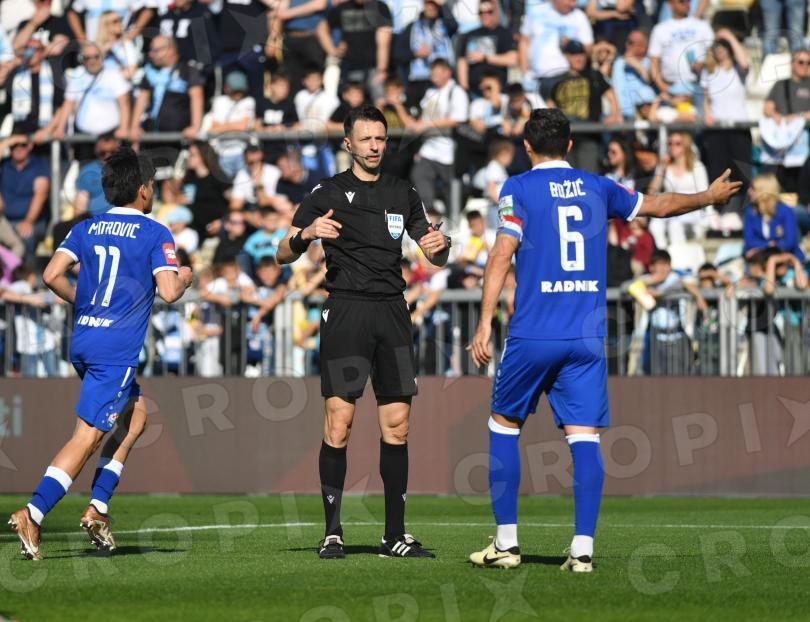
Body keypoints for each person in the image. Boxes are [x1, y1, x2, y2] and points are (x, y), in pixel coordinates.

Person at [466, 108, 741, 570]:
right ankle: (583, 550)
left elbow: (500, 254)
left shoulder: (517, 188)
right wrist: (708, 197)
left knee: (503, 425)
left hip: (535, 331)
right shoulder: (598, 186)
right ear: (570, 145)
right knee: (584, 438)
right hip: (586, 337)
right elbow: (658, 205)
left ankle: (507, 544)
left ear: (527, 147)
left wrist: (483, 323)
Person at [276, 105, 451, 559]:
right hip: (347, 310)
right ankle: (332, 531)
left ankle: (394, 536)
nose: (375, 146)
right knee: (340, 423)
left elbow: (433, 253)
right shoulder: (326, 191)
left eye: (381, 139)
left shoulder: (402, 190)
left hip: (392, 312)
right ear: (348, 143)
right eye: (366, 139)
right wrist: (306, 233)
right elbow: (282, 253)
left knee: (398, 427)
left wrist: (441, 246)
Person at [8, 146, 193, 560]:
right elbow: (168, 292)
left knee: (136, 417)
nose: (152, 191)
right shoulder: (155, 232)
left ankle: (98, 508)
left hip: (85, 339)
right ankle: (33, 513)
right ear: (143, 190)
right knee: (88, 436)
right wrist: (185, 277)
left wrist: (85, 304)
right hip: (115, 349)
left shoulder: (86, 227)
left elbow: (51, 274)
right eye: (152, 185)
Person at [701, 29, 752, 203]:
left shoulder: (738, 70)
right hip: (717, 129)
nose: (720, 49)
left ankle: (741, 209)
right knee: (717, 172)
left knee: (742, 173)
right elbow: (706, 100)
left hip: (739, 128)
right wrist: (707, 114)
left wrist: (728, 36)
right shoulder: (709, 72)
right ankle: (719, 210)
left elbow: (744, 62)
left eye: (724, 46)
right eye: (717, 46)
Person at [647, 131, 710, 247]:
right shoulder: (665, 166)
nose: (672, 146)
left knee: (674, 225)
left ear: (686, 145)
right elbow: (651, 191)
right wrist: (662, 168)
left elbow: (705, 195)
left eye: (677, 143)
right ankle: (663, 253)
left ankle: (677, 257)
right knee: (654, 226)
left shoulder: (697, 167)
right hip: (671, 209)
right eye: (670, 143)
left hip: (692, 209)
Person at [648, 0, 713, 96]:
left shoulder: (702, 25)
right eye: (681, 1)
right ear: (670, 5)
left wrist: (703, 63)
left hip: (699, 86)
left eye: (688, 1)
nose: (686, 3)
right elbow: (653, 61)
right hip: (672, 87)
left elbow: (713, 53)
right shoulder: (660, 29)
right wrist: (663, 88)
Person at [0, 133, 50, 257]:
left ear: (30, 146)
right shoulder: (4, 164)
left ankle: (21, 270)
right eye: (14, 145)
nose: (18, 148)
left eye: (23, 144)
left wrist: (28, 221)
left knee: (25, 237)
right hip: (3, 220)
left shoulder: (39, 165)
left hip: (32, 221)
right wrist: (6, 142)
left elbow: (40, 195)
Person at [456, 0, 517, 96]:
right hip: (473, 93)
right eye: (481, 12)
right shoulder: (469, 35)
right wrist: (464, 90)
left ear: (496, 12)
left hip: (498, 93)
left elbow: (512, 59)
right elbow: (462, 62)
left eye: (489, 12)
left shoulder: (505, 33)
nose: (485, 15)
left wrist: (485, 57)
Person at [743, 173, 804, 260]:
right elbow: (749, 241)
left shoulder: (786, 211)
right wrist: (769, 245)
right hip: (761, 259)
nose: (749, 191)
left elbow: (789, 242)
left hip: (787, 259)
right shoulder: (750, 211)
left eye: (753, 188)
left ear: (764, 191)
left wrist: (766, 247)